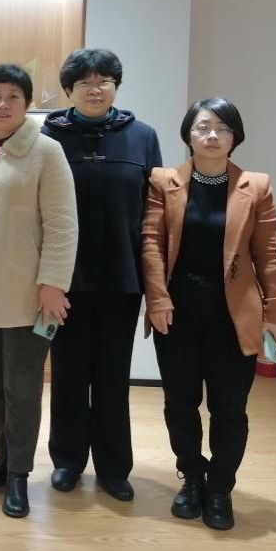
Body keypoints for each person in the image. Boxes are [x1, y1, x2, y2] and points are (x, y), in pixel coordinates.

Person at [141, 97, 276, 531]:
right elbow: (151, 243)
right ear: (188, 134)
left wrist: (275, 314)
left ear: (234, 137)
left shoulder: (255, 186)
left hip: (234, 315)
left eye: (222, 128)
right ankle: (191, 478)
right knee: (180, 401)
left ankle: (220, 487)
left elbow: (269, 254)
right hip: (177, 313)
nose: (212, 136)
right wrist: (157, 299)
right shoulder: (163, 181)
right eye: (203, 127)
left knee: (229, 407)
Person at [0, 64, 77, 518]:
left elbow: (63, 225)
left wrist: (53, 284)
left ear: (27, 104)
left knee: (22, 385)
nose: (2, 104)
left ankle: (19, 474)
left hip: (27, 288)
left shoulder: (46, 151)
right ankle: (2, 461)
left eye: (13, 97)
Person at [41, 48, 162, 501]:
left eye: (104, 81)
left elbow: (154, 213)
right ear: (68, 90)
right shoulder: (48, 137)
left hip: (121, 277)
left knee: (113, 375)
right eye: (85, 82)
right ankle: (67, 461)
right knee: (68, 372)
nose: (95, 89)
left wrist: (153, 282)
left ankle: (113, 468)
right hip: (62, 280)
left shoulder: (142, 137)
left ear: (116, 86)